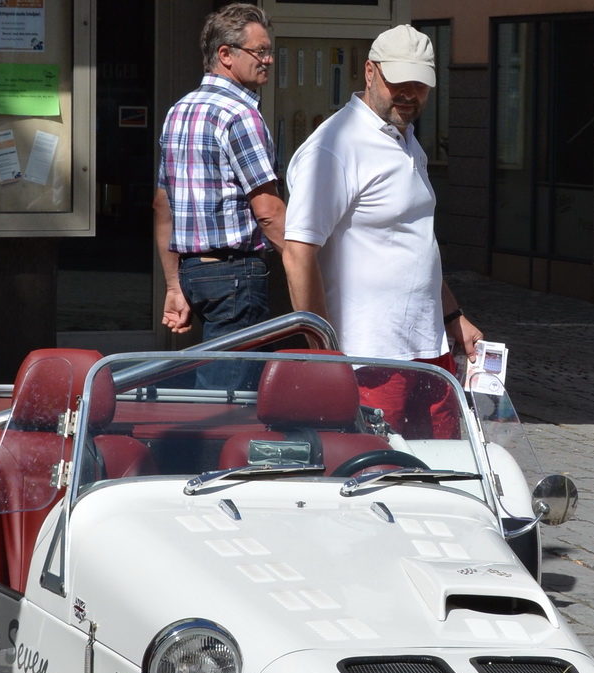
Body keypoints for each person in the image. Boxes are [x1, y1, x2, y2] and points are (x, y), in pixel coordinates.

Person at [283, 24, 482, 437]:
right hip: (368, 358)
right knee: (378, 469)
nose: (409, 93)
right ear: (370, 72)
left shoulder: (406, 139)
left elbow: (414, 242)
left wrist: (453, 315)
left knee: (441, 465)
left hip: (427, 350)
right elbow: (298, 252)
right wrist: (324, 354)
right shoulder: (334, 146)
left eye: (420, 84)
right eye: (399, 81)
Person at [154, 3, 284, 343]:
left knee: (219, 371)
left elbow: (162, 206)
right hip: (236, 272)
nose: (268, 60)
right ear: (226, 54)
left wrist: (174, 285)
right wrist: (304, 264)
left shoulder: (178, 111)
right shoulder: (240, 114)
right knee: (233, 376)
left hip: (192, 273)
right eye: (260, 51)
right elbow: (268, 212)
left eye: (269, 51)